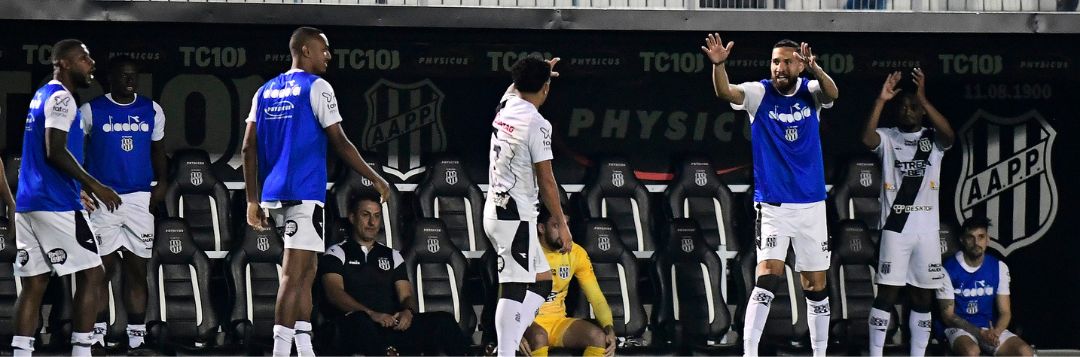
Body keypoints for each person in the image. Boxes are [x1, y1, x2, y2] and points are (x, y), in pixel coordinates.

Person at [242, 26, 390, 357]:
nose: (328, 56)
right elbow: (339, 141)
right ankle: (281, 351)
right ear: (305, 51)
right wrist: (375, 177)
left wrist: (253, 199)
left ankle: (304, 346)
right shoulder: (317, 86)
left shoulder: (264, 91)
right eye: (323, 50)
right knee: (293, 276)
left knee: (307, 271)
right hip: (303, 192)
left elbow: (248, 148)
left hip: (274, 193)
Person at [700, 34, 838, 357]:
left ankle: (820, 354)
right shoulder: (759, 93)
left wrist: (816, 70)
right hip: (774, 206)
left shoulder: (811, 92)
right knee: (767, 277)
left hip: (812, 205)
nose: (780, 67)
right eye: (775, 61)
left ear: (799, 65)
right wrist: (719, 66)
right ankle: (750, 353)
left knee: (814, 286)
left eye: (787, 61)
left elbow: (833, 93)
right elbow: (725, 91)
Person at [10, 39, 122, 357]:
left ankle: (20, 351)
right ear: (65, 63)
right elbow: (55, 151)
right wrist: (95, 186)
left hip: (29, 202)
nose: (92, 64)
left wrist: (80, 188)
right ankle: (82, 349)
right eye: (85, 59)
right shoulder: (62, 97)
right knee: (93, 273)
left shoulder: (41, 94)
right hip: (54, 203)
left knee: (35, 282)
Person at [861, 69, 955, 357]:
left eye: (913, 107)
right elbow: (866, 140)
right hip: (895, 228)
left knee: (922, 298)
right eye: (903, 106)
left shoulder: (933, 141)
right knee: (887, 295)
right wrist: (881, 100)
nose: (908, 110)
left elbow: (950, 135)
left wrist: (925, 100)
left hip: (926, 232)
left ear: (922, 112)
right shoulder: (888, 137)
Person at [77, 55, 167, 351]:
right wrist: (83, 188)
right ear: (111, 79)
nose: (130, 81)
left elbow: (158, 150)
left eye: (134, 76)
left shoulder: (152, 109)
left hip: (139, 199)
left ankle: (136, 335)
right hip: (103, 199)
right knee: (100, 270)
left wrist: (162, 183)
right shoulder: (90, 111)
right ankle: (98, 333)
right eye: (124, 76)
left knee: (137, 269)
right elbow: (73, 152)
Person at [484, 55, 572, 357]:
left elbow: (516, 87)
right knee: (513, 285)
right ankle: (505, 353)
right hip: (514, 216)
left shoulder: (506, 105)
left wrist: (538, 71)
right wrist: (560, 223)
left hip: (499, 210)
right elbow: (547, 180)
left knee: (542, 281)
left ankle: (507, 344)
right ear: (546, 88)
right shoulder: (537, 123)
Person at [319, 194, 471, 355]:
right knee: (360, 321)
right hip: (353, 326)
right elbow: (334, 293)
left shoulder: (392, 255)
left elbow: (406, 296)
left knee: (443, 320)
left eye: (377, 216)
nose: (372, 222)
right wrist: (371, 314)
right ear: (352, 217)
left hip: (389, 325)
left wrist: (408, 312)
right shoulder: (336, 253)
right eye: (366, 215)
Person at [518, 203, 616, 357]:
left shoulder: (576, 253)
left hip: (558, 322)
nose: (564, 232)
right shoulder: (523, 251)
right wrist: (514, 331)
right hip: (527, 322)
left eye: (567, 225)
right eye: (557, 226)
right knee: (539, 337)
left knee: (598, 338)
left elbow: (596, 298)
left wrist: (609, 327)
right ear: (541, 228)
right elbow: (505, 297)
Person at [936, 218, 1034, 357]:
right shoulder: (948, 269)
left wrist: (996, 332)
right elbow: (948, 316)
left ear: (988, 239)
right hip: (959, 328)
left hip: (989, 328)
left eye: (981, 237)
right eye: (971, 237)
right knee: (971, 352)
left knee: (1025, 353)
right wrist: (979, 333)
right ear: (962, 240)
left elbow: (1005, 311)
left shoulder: (999, 267)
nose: (976, 243)